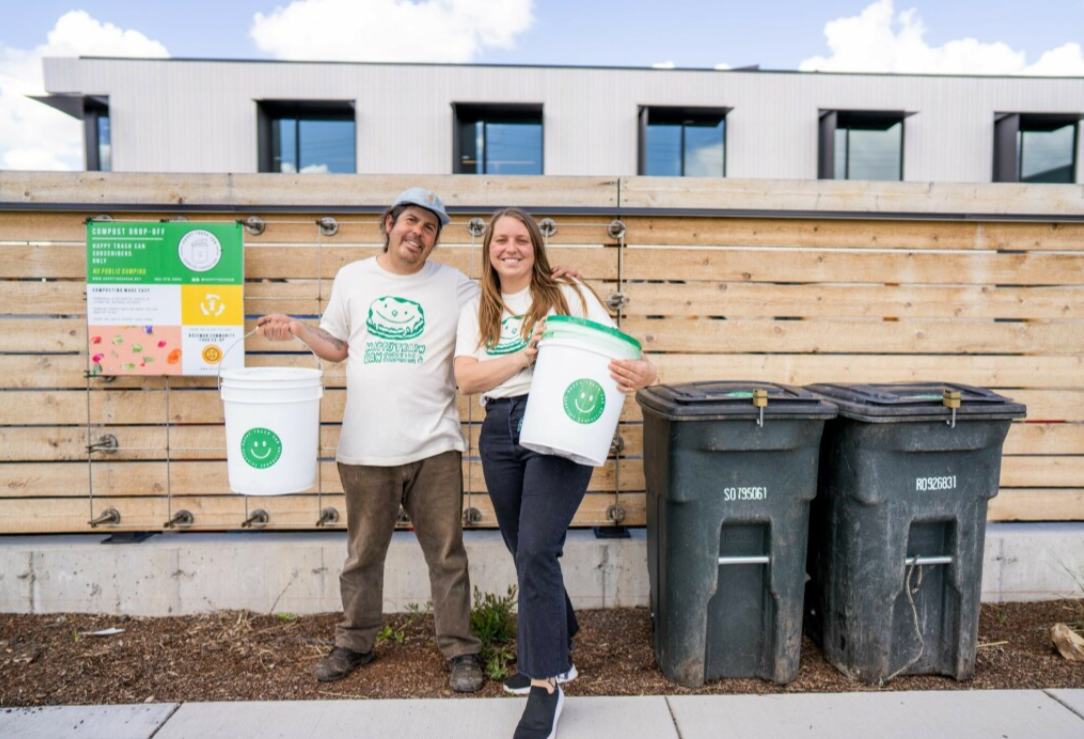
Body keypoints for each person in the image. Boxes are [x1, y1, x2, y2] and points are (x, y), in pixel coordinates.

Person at [257, 187, 486, 691]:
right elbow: (337, 346)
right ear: (389, 222)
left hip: (435, 444)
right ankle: (355, 642)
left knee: (448, 555)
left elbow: (506, 299)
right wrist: (297, 328)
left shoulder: (454, 285)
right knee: (362, 555)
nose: (418, 233)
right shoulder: (353, 278)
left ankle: (460, 650)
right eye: (411, 221)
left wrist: (553, 279)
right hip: (364, 447)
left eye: (429, 228)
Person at [453, 208, 657, 739]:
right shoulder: (477, 307)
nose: (511, 247)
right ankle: (557, 632)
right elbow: (468, 377)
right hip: (500, 429)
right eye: (502, 239)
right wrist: (523, 356)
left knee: (538, 550)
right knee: (522, 544)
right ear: (489, 248)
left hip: (560, 424)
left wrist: (648, 371)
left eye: (522, 239)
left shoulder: (569, 293)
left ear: (536, 248)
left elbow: (624, 349)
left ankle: (546, 682)